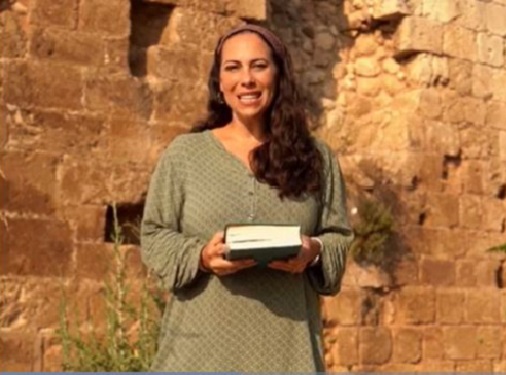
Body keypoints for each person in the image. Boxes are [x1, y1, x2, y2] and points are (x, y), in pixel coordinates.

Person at [139, 23, 353, 372]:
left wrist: (313, 252)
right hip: (197, 355)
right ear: (220, 83)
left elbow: (339, 238)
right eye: (233, 67)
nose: (247, 79)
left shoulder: (317, 157)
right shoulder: (185, 155)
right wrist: (202, 257)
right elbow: (153, 236)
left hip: (288, 354)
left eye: (259, 65)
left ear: (278, 75)